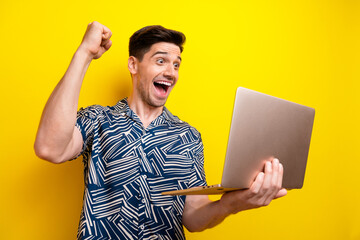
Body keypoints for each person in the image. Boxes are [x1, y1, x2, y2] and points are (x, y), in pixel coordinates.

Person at [34, 21, 287, 239]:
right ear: (133, 65)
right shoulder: (97, 119)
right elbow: (49, 148)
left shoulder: (188, 137)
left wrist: (231, 205)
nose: (171, 72)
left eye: (176, 64)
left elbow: (194, 218)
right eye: (161, 61)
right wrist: (84, 54)